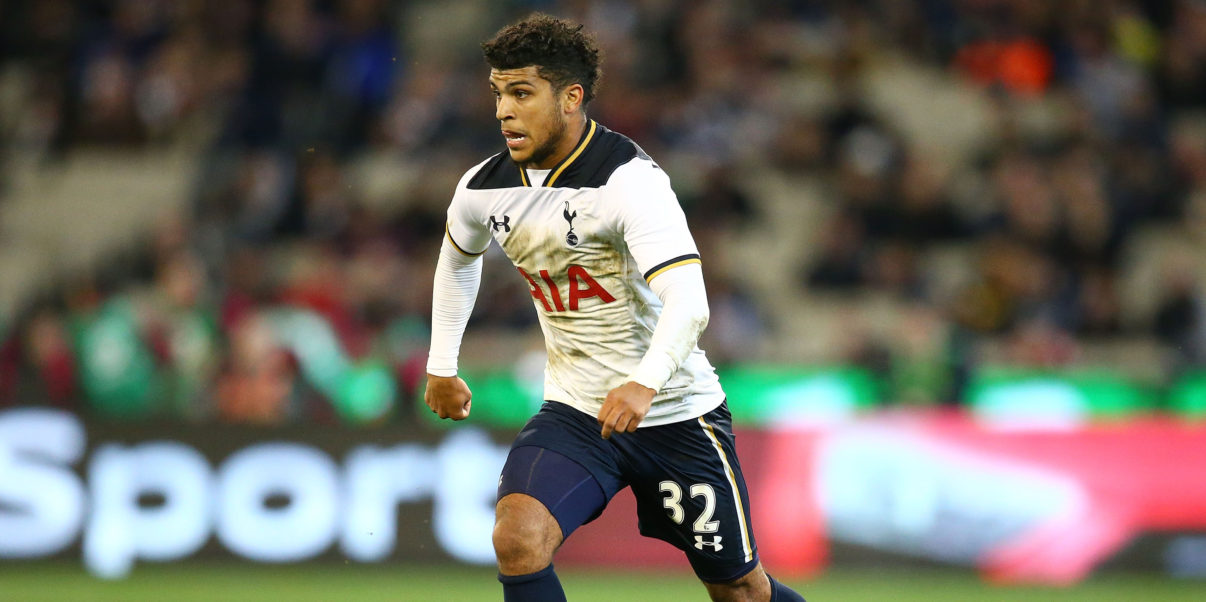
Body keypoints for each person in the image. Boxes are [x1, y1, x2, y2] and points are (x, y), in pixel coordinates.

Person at [424, 13, 806, 602]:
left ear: (571, 97)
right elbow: (458, 261)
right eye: (498, 93)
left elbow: (691, 302)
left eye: (522, 93)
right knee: (518, 539)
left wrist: (644, 383)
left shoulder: (629, 181)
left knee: (742, 592)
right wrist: (442, 364)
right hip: (577, 413)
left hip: (676, 415)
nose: (503, 110)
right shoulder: (481, 187)